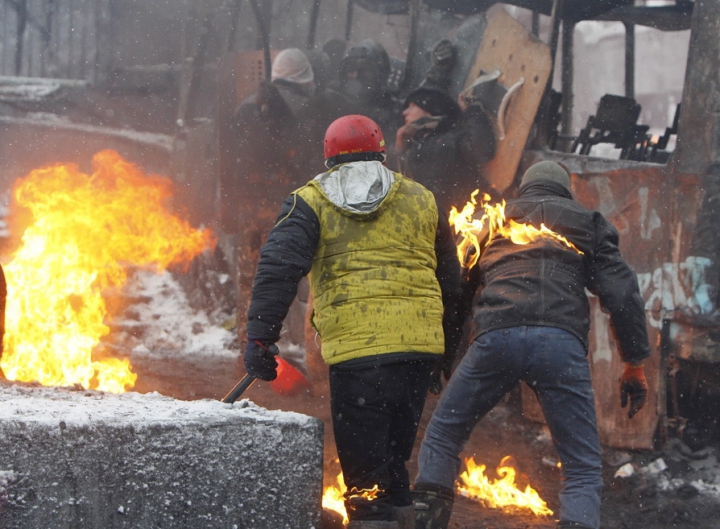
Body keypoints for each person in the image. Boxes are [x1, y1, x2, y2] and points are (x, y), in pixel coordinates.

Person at [242, 115, 462, 529]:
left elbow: (279, 267)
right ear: (382, 152)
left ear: (328, 157)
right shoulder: (422, 198)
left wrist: (260, 337)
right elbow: (451, 284)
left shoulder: (310, 202)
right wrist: (444, 353)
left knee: (365, 485)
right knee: (395, 466)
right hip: (417, 353)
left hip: (360, 359)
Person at [412, 161, 652, 529]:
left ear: (524, 190)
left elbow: (457, 293)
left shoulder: (493, 219)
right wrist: (634, 362)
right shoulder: (588, 223)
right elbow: (622, 293)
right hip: (560, 345)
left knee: (443, 436)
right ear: (565, 191)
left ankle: (424, 523)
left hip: (496, 337)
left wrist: (441, 357)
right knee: (582, 468)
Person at [395, 39, 498, 212]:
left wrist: (472, 111)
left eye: (412, 107)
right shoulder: (415, 146)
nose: (405, 113)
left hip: (457, 228)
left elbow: (483, 149)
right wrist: (399, 147)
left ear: (429, 111)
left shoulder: (450, 140)